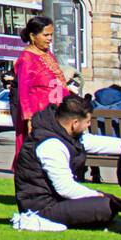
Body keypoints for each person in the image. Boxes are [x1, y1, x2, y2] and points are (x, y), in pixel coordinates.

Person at [13, 95, 121, 229]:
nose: (88, 125)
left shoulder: (63, 133)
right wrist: (97, 195)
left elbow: (95, 142)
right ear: (75, 123)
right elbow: (65, 188)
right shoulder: (51, 145)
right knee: (105, 206)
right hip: (40, 208)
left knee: (107, 202)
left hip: (56, 199)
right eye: (88, 121)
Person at [12, 15, 72, 156]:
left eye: (51, 35)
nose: (49, 39)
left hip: (55, 109)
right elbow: (24, 91)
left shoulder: (47, 54)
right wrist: (29, 118)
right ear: (33, 36)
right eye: (45, 35)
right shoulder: (27, 58)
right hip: (39, 112)